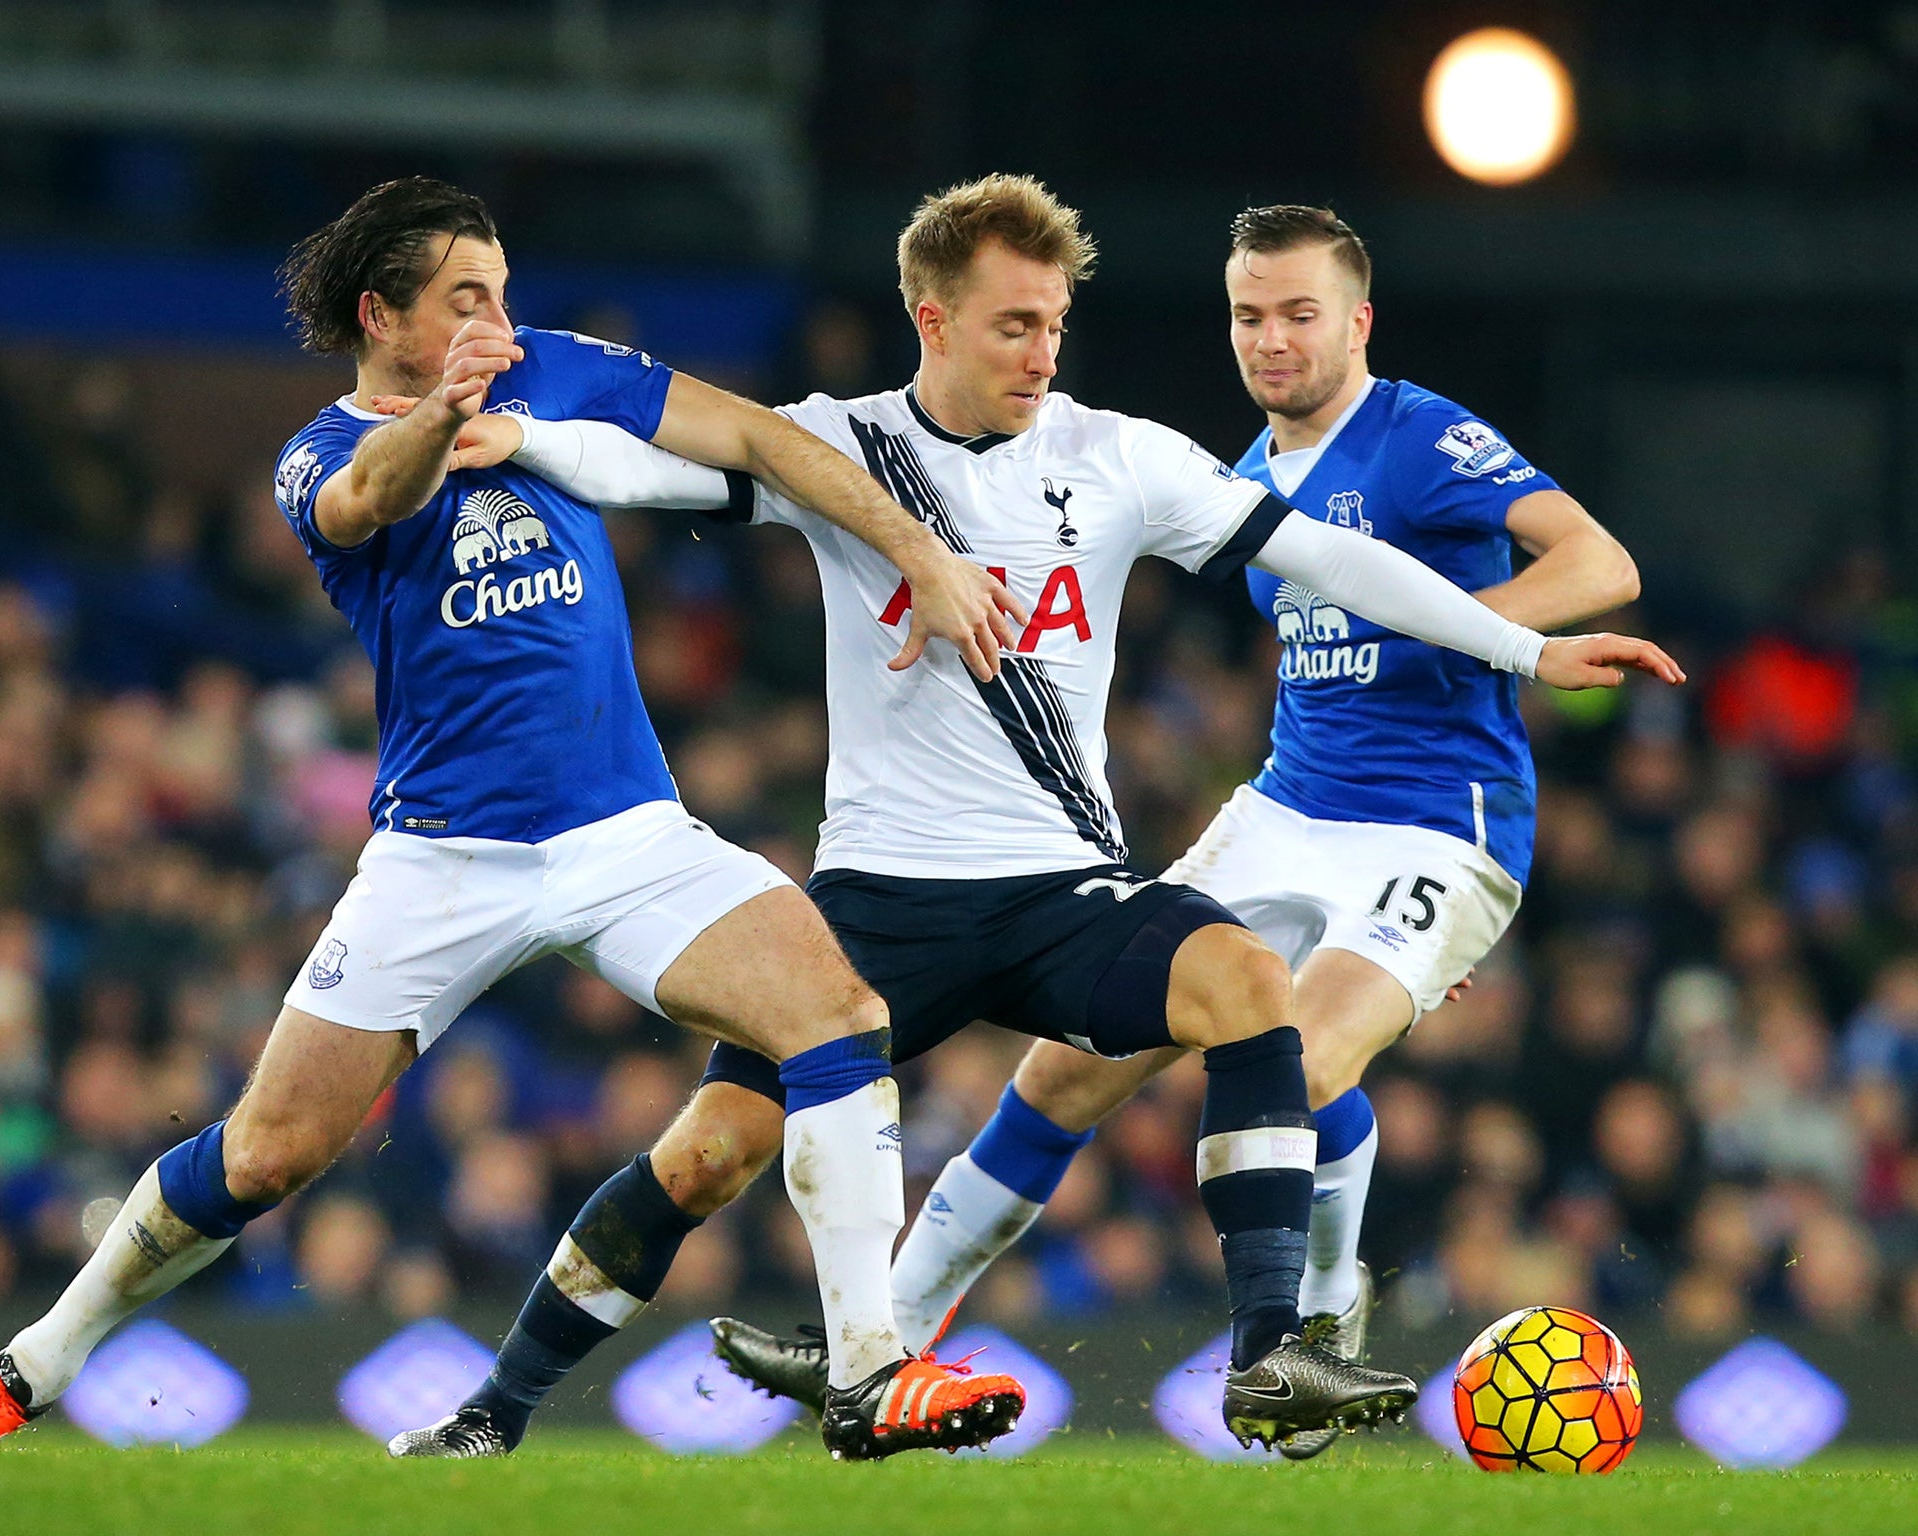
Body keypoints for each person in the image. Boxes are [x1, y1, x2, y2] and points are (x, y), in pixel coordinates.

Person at [382, 174, 1681, 1457]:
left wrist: (1521, 653)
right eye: (1014, 324)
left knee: (1244, 988)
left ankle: (1277, 1350)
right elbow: (658, 471)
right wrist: (530, 442)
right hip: (887, 898)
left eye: (1056, 322)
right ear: (932, 317)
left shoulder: (1121, 458)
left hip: (1068, 887)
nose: (1042, 350)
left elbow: (1330, 559)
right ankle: (499, 1412)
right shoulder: (839, 448)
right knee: (709, 1151)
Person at [0, 176, 1033, 1462]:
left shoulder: (552, 371)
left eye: (500, 291)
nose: (497, 319)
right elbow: (369, 497)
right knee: (268, 1156)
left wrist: (923, 554)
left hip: (625, 835)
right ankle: (28, 1368)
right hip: (441, 857)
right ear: (382, 316)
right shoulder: (314, 453)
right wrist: (443, 412)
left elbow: (763, 440)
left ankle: (870, 1368)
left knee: (839, 1016)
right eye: (463, 298)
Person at [719, 204, 1649, 1462]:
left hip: (1436, 828)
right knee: (1058, 1072)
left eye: (1298, 315)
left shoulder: (1421, 435)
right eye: (1247, 316)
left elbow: (1599, 563)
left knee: (1299, 1060)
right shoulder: (1245, 475)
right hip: (1281, 808)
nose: (1269, 341)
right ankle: (881, 1342)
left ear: (1356, 322)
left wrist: (1471, 624)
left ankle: (1311, 1319)